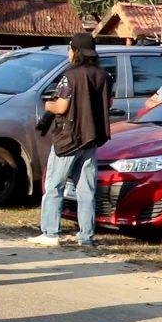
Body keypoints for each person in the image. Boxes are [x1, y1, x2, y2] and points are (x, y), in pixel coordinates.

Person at [28, 33, 111, 248]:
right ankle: (86, 236)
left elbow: (61, 106)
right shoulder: (104, 76)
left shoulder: (70, 76)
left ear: (75, 51)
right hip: (91, 139)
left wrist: (48, 105)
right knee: (86, 191)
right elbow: (108, 103)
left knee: (54, 186)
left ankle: (50, 232)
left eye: (70, 48)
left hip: (68, 139)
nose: (68, 52)